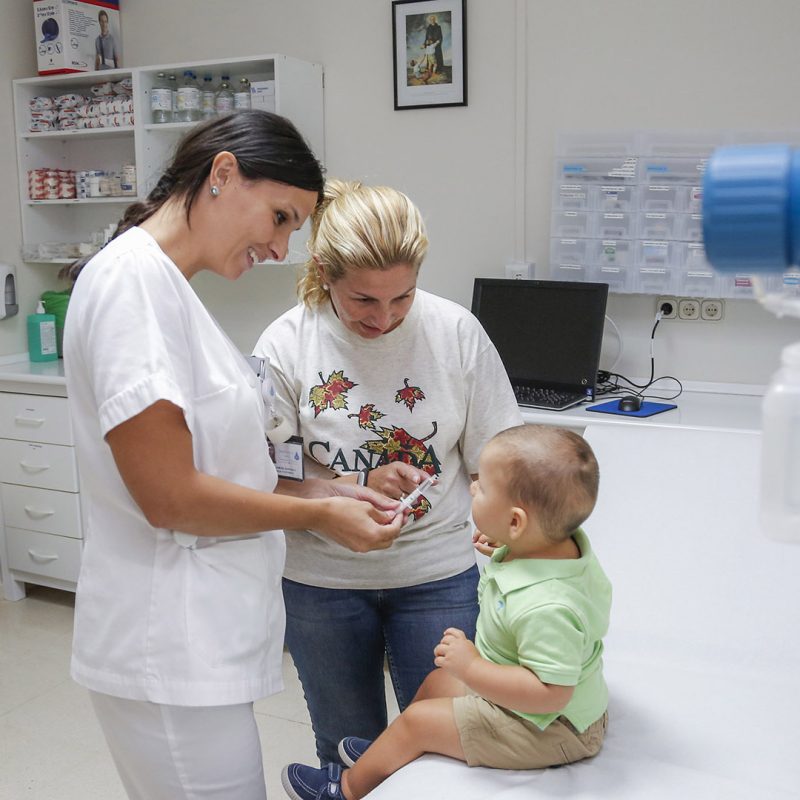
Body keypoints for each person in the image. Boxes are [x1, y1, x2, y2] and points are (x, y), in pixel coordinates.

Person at [61, 111, 405, 800]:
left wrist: (327, 491)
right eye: (279, 217)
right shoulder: (135, 286)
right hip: (168, 645)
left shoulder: (168, 290)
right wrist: (317, 520)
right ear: (223, 174)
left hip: (197, 643)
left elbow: (228, 458)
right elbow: (172, 497)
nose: (281, 248)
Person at [252, 179, 524, 767]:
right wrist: (350, 490)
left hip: (437, 575)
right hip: (321, 581)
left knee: (447, 748)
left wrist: (505, 529)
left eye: (402, 297)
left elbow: (499, 465)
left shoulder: (454, 334)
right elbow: (258, 477)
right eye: (364, 302)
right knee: (347, 751)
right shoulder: (286, 344)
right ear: (324, 272)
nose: (386, 318)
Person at [281, 424, 612, 800]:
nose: (472, 487)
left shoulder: (548, 605)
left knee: (420, 721)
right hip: (530, 708)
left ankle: (346, 789)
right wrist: (510, 546)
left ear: (516, 521)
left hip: (551, 728)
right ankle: (393, 748)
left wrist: (471, 666)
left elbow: (550, 694)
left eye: (482, 488)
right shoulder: (550, 548)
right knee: (439, 684)